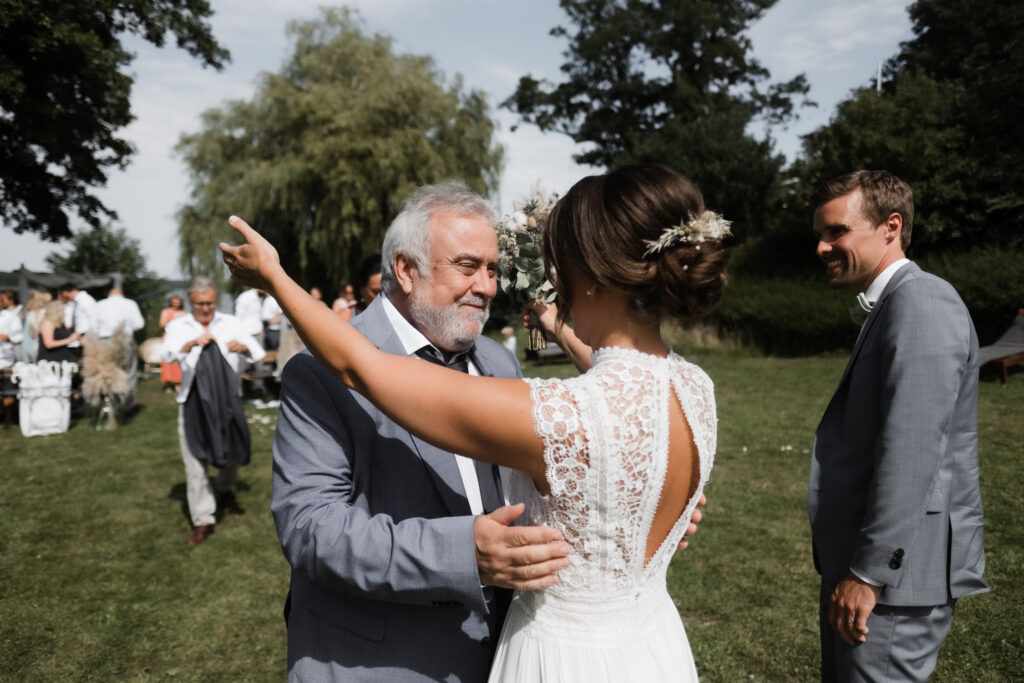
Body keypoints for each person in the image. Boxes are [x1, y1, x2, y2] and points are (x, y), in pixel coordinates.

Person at [222, 165, 726, 682]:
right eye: (468, 266)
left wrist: (274, 278)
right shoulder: (692, 386)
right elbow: (310, 529)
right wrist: (464, 555)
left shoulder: (506, 369)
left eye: (493, 268)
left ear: (593, 279)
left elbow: (363, 368)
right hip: (388, 662)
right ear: (405, 269)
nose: (487, 287)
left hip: (546, 655)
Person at [808, 170, 988, 681]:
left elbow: (911, 450)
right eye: (819, 235)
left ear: (891, 226)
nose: (822, 247)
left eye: (836, 232)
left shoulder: (921, 301)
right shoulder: (895, 303)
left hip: (893, 580)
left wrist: (868, 574)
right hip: (876, 571)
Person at [162, 277, 265, 546]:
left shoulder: (230, 323)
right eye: (199, 304)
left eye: (209, 303)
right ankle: (203, 518)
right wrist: (190, 344)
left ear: (215, 301)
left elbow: (257, 352)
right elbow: (167, 354)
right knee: (194, 461)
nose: (205, 309)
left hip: (228, 401)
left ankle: (224, 488)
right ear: (190, 301)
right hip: (192, 401)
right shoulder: (177, 325)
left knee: (231, 450)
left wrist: (242, 347)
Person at [0, 290, 23, 428]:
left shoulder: (10, 316)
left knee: (9, 391)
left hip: (7, 360)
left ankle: (9, 420)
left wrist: (9, 337)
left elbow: (19, 337)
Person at [159, 295, 188, 393]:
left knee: (178, 361)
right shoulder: (166, 312)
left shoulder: (184, 313)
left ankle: (178, 383)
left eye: (178, 302)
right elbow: (162, 324)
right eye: (174, 302)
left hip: (180, 339)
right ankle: (168, 384)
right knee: (167, 362)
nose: (176, 304)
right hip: (168, 338)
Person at [21, 289, 52, 362]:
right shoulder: (45, 313)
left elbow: (32, 334)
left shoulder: (30, 315)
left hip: (36, 346)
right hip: (47, 346)